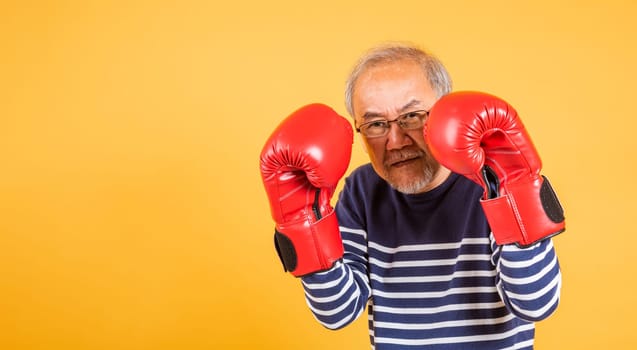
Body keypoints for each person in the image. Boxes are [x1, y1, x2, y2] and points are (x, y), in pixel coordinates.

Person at [259, 43, 565, 349]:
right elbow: (338, 312)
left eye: (413, 116)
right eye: (376, 124)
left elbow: (535, 303)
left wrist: (515, 191)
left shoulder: (491, 184)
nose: (395, 141)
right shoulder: (361, 191)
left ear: (446, 114)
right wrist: (304, 222)